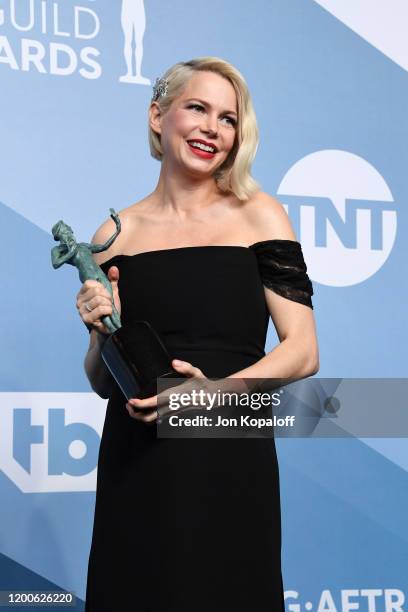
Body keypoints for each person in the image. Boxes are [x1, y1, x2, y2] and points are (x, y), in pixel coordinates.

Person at [77, 56, 319, 612]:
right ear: (158, 116)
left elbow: (303, 351)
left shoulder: (260, 214)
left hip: (227, 456)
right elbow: (100, 380)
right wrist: (96, 332)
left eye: (229, 119)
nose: (213, 127)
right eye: (198, 108)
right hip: (138, 464)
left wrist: (209, 395)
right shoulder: (114, 235)